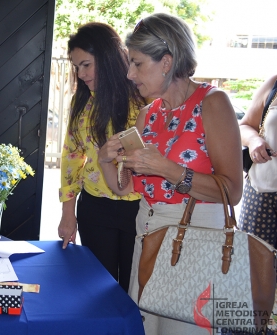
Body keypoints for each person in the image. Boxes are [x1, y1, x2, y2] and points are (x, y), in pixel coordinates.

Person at [98, 13, 242, 334]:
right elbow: (125, 188)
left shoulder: (213, 103)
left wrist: (168, 169)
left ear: (166, 62)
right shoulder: (148, 114)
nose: (129, 74)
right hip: (148, 235)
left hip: (195, 241)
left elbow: (232, 191)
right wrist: (107, 160)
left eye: (137, 63)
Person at [57, 22, 146, 292]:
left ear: (107, 57)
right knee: (98, 290)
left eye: (86, 64)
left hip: (139, 208)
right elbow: (71, 158)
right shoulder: (81, 102)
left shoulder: (142, 97)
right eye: (76, 67)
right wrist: (67, 214)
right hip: (94, 208)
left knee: (135, 290)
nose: (81, 74)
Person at [238, 73, 277, 248]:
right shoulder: (274, 83)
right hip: (263, 194)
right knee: (254, 267)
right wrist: (254, 141)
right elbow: (245, 126)